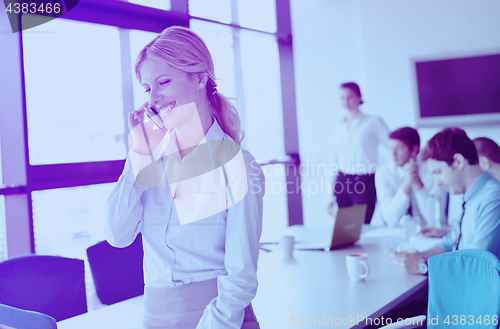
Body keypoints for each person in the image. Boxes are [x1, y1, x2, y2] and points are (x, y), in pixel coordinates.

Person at [106, 26, 265, 329]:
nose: (154, 97)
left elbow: (241, 275)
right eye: (148, 88)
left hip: (220, 318)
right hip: (155, 316)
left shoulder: (238, 164)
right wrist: (139, 155)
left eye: (164, 81)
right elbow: (117, 235)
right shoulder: (151, 161)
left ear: (200, 77)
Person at [387, 127, 500, 275]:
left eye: (438, 172)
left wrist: (424, 267)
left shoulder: (493, 197)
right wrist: (418, 256)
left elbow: (476, 263)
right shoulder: (472, 196)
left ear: (458, 162)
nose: (438, 182)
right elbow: (450, 243)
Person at [327, 82, 390, 224]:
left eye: (350, 97)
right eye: (342, 98)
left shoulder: (373, 122)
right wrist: (328, 195)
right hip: (342, 182)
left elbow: (392, 147)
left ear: (359, 97)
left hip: (364, 182)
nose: (346, 102)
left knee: (361, 228)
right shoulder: (337, 127)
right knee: (344, 230)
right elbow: (333, 161)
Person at [374, 127, 447, 230]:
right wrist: (406, 182)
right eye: (391, 148)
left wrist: (417, 182)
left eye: (399, 148)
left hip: (428, 234)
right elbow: (390, 220)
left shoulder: (433, 170)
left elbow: (437, 220)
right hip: (398, 234)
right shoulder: (383, 173)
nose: (393, 153)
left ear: (414, 149)